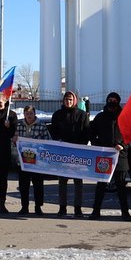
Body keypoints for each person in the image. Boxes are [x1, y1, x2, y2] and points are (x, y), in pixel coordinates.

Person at [88, 92, 131, 221]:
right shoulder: (100, 117)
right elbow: (91, 134)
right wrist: (98, 145)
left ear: (118, 101)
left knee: (121, 187)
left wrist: (123, 145)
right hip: (104, 157)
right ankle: (96, 211)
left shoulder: (125, 117)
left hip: (120, 156)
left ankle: (125, 213)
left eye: (114, 100)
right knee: (101, 186)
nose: (112, 102)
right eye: (110, 99)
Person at [49, 90, 91, 218]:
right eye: (66, 99)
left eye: (71, 100)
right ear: (63, 101)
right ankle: (62, 208)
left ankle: (77, 208)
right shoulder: (57, 115)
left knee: (78, 182)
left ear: (75, 101)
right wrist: (59, 141)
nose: (68, 102)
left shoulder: (82, 115)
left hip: (77, 153)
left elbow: (86, 132)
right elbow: (53, 131)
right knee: (62, 182)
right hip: (62, 153)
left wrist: (80, 145)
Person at [13, 105, 50, 215]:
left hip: (37, 162)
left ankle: (38, 207)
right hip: (23, 161)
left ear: (35, 114)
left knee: (38, 185)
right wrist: (14, 139)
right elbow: (13, 140)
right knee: (23, 185)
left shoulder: (41, 126)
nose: (29, 116)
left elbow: (48, 141)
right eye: (27, 113)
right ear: (24, 114)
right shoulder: (19, 125)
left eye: (31, 113)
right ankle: (24, 206)